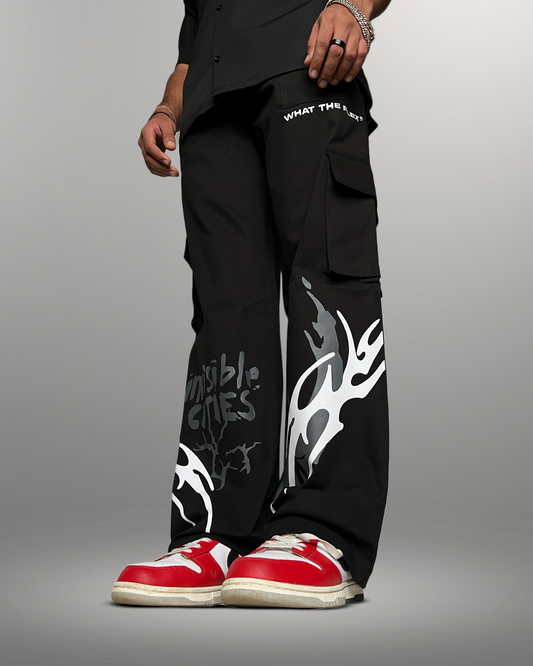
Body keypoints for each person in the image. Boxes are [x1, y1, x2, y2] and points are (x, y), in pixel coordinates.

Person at [111, 0, 392, 609]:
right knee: (226, 313)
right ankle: (216, 533)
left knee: (326, 291)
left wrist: (355, 6)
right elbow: (191, 46)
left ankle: (324, 531)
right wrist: (168, 108)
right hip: (211, 110)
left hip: (309, 70)